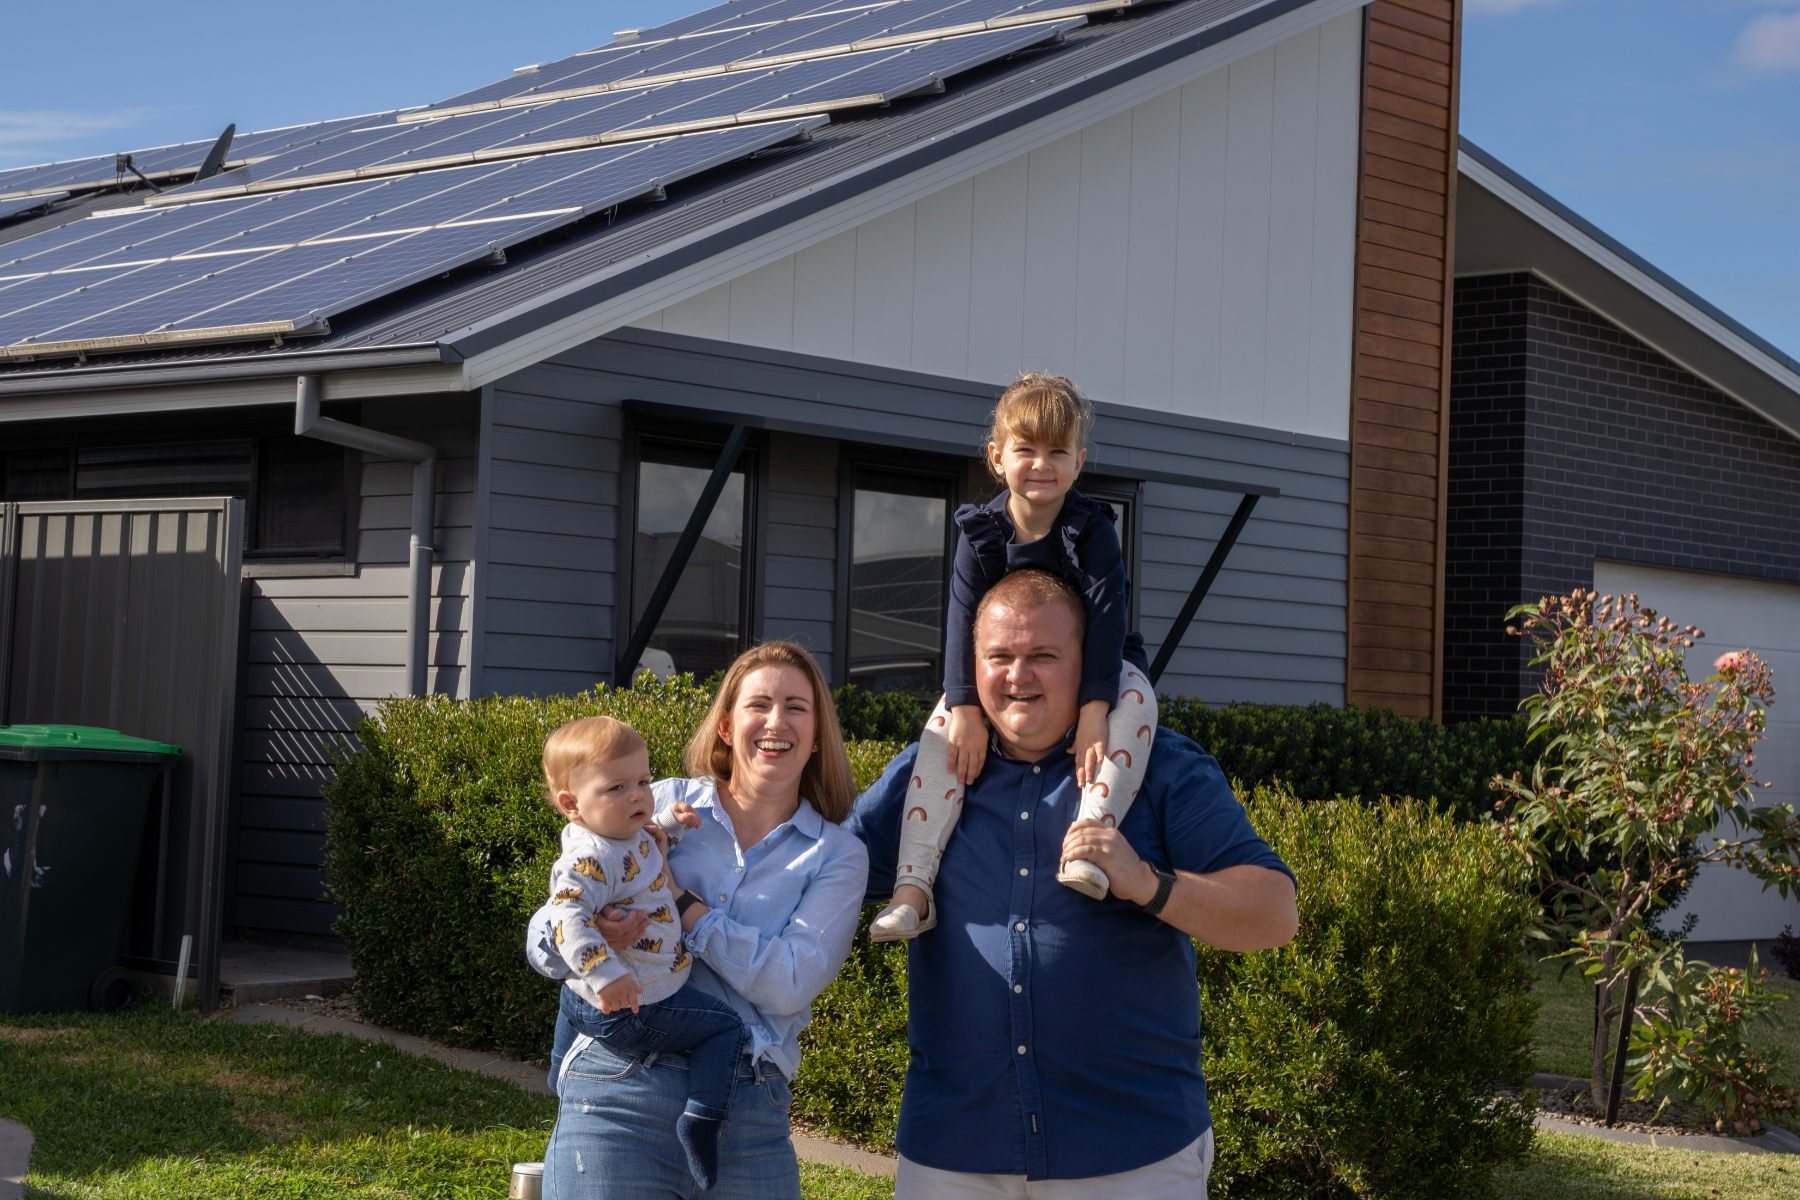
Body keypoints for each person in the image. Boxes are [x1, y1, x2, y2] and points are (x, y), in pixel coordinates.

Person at [848, 568, 1299, 1197]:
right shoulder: (928, 772)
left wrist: (1147, 882)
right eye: (998, 657)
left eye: (1043, 655)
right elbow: (819, 874)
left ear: (1087, 665)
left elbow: (1275, 914)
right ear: (969, 668)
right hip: (954, 1151)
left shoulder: (1164, 766)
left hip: (1131, 1152)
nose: (1018, 675)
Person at [528, 641, 870, 1200]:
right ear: (727, 727)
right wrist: (595, 933)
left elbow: (788, 983)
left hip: (751, 1109)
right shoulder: (655, 801)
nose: (776, 721)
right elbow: (546, 934)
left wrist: (679, 900)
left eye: (797, 707)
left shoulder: (837, 855)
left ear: (816, 736)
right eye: (758, 704)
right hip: (622, 1085)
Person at [871, 374, 1157, 943]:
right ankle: (913, 886)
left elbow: (1107, 615)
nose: (1041, 464)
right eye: (1026, 449)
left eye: (1057, 451)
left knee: (1138, 704)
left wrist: (1097, 704)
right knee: (940, 740)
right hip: (999, 671)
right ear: (997, 457)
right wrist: (967, 708)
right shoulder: (979, 533)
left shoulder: (1092, 530)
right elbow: (959, 620)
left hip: (1098, 662)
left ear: (1079, 461)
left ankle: (1088, 843)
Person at [531, 715, 746, 1190]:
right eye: (617, 787)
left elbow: (645, 845)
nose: (637, 796)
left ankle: (559, 1072)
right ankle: (703, 1118)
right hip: (635, 1002)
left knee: (572, 997)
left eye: (644, 781)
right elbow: (566, 920)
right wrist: (608, 976)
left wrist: (671, 824)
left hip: (584, 1000)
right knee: (727, 1028)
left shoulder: (618, 835)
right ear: (572, 804)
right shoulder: (590, 858)